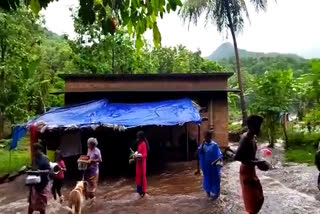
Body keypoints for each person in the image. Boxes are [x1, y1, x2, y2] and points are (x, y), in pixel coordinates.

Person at [234, 115, 271, 214]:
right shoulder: (245, 139)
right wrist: (257, 163)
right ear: (251, 126)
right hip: (246, 172)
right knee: (253, 202)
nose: (260, 128)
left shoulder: (253, 138)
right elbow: (237, 157)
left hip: (251, 170)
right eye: (258, 126)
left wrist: (259, 162)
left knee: (260, 198)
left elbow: (250, 156)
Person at [198, 130, 223, 200]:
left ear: (210, 137)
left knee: (216, 179)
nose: (206, 138)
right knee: (207, 179)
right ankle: (208, 195)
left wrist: (217, 162)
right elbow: (200, 152)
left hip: (214, 166)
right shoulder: (203, 145)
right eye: (205, 137)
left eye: (208, 137)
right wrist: (202, 144)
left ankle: (216, 195)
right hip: (206, 166)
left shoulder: (214, 145)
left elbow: (220, 155)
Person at [28, 143, 51, 214]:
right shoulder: (34, 158)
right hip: (35, 184)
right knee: (31, 204)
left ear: (40, 150)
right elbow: (33, 168)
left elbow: (48, 170)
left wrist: (40, 171)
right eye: (34, 150)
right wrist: (29, 170)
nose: (34, 152)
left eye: (35, 150)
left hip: (43, 184)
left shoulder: (45, 158)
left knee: (42, 205)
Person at [134, 131, 148, 197]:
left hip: (142, 163)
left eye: (138, 137)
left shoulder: (143, 144)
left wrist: (140, 156)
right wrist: (135, 155)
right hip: (138, 163)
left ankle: (143, 191)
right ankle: (139, 191)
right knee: (138, 176)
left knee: (142, 176)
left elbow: (145, 154)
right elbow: (138, 152)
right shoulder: (139, 143)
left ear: (140, 137)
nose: (137, 138)